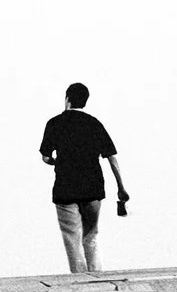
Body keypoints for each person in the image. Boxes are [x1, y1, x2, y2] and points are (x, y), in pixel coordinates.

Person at [38, 82, 128, 273]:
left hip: (65, 189)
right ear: (85, 102)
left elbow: (46, 157)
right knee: (91, 235)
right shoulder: (94, 124)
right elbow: (112, 158)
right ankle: (97, 277)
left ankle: (80, 280)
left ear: (67, 99)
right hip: (93, 188)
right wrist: (121, 187)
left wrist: (56, 161)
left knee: (72, 237)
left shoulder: (54, 123)